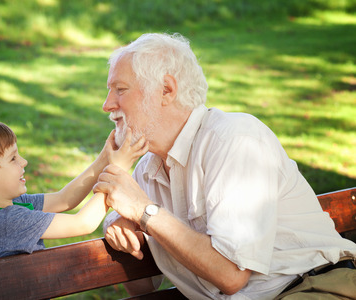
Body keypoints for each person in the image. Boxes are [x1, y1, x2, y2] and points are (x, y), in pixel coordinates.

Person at [94, 33, 356, 299]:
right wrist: (122, 230)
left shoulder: (235, 139)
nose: (107, 105)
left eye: (120, 89)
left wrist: (144, 211)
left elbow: (230, 274)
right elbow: (143, 287)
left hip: (312, 286)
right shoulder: (147, 170)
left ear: (166, 90)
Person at [0, 120, 148, 261]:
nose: (24, 161)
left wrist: (104, 159)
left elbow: (65, 199)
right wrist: (117, 170)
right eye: (13, 158)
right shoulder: (8, 222)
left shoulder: (6, 206)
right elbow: (83, 223)